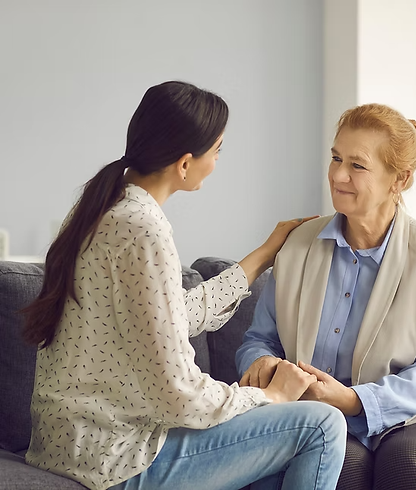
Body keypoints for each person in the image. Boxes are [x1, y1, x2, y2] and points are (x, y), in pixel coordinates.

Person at [22, 81, 347, 490]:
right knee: (322, 425)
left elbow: (170, 317)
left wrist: (264, 254)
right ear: (185, 163)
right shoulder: (144, 229)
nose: (216, 162)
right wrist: (270, 397)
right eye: (217, 151)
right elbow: (178, 394)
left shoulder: (102, 208)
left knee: (274, 461)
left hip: (69, 446)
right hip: (117, 458)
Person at [236, 103, 416, 490]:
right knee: (340, 466)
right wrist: (262, 363)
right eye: (335, 158)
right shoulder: (298, 245)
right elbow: (260, 339)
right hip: (315, 415)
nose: (338, 175)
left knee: (408, 464)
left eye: (357, 165)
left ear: (399, 179)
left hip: (415, 417)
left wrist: (354, 400)